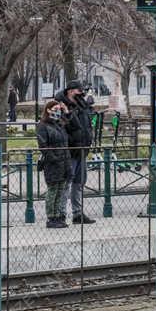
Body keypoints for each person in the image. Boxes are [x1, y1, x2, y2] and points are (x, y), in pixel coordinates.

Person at [54, 80, 96, 224]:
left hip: (82, 149)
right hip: (70, 150)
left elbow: (87, 125)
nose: (82, 93)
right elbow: (61, 127)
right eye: (79, 91)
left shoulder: (82, 105)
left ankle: (78, 213)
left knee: (79, 182)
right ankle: (61, 214)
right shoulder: (60, 105)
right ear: (71, 91)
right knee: (66, 183)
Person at [37, 100, 72, 228]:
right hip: (53, 163)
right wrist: (54, 158)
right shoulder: (42, 125)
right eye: (55, 109)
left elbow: (66, 138)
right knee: (53, 190)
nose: (58, 111)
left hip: (64, 162)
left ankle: (58, 216)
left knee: (61, 190)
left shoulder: (59, 124)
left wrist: (66, 113)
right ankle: (51, 217)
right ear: (48, 110)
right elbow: (43, 145)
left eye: (59, 109)